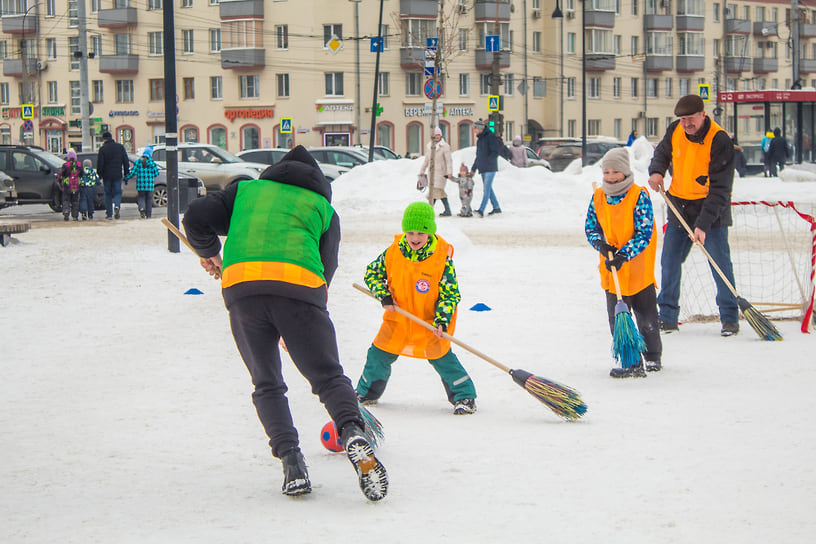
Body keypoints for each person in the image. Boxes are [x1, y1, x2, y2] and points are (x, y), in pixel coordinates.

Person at [182, 145, 388, 501]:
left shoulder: (246, 190)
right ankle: (353, 433)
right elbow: (325, 271)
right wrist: (301, 318)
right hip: (301, 290)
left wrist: (210, 253)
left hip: (243, 288)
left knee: (267, 383)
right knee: (327, 376)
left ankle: (291, 462)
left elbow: (195, 217)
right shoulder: (324, 209)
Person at [355, 201, 477, 415]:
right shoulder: (394, 251)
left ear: (429, 232)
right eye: (410, 232)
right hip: (398, 320)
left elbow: (450, 294)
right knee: (378, 354)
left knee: (441, 357)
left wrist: (442, 320)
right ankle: (367, 392)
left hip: (429, 321)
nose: (414, 238)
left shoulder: (441, 258)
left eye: (421, 232)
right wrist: (382, 294)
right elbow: (371, 273)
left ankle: (464, 395)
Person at [648, 94, 740, 337]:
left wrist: (703, 225)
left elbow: (721, 190)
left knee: (719, 263)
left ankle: (730, 317)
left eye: (691, 119)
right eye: (682, 119)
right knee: (669, 262)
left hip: (712, 210)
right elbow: (661, 154)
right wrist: (657, 172)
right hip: (679, 205)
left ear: (702, 115)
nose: (686, 124)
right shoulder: (675, 130)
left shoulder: (719, 139)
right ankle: (667, 317)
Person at [586, 148, 662, 378]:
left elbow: (644, 233)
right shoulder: (599, 196)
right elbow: (591, 227)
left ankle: (652, 356)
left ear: (625, 171)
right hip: (612, 270)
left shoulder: (639, 195)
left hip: (637, 267)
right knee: (617, 317)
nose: (611, 176)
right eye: (607, 171)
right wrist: (601, 244)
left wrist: (624, 254)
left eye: (616, 171)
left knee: (646, 315)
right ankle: (631, 362)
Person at [470, 119, 503, 217]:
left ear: (480, 128)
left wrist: (489, 161)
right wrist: (473, 168)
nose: (474, 130)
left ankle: (481, 210)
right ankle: (496, 207)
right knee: (489, 189)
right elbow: (478, 155)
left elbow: (495, 151)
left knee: (486, 189)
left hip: (490, 167)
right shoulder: (480, 139)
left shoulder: (490, 137)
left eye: (475, 128)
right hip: (483, 167)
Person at [419, 127, 453, 217]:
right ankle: (447, 210)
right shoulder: (429, 146)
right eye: (435, 135)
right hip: (432, 172)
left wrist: (449, 172)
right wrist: (422, 170)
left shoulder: (445, 146)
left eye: (438, 135)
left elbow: (449, 160)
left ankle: (429, 211)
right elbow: (426, 159)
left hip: (441, 172)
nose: (437, 137)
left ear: (441, 135)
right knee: (438, 192)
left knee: (435, 191)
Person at [97, 131, 130, 220]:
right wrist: (126, 173)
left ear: (104, 139)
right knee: (117, 192)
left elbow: (100, 164)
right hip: (117, 174)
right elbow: (125, 161)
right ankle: (117, 205)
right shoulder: (120, 147)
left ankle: (109, 214)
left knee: (107, 194)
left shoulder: (103, 149)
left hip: (106, 176)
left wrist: (99, 175)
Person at [125, 146, 160, 219]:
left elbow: (133, 172)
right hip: (149, 185)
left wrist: (126, 178)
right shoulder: (152, 163)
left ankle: (141, 208)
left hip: (140, 185)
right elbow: (156, 173)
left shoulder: (138, 162)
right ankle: (148, 215)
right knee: (149, 200)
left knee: (141, 197)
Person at [58, 149, 83, 221]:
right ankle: (75, 216)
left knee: (66, 200)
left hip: (67, 186)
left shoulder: (65, 165)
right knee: (75, 201)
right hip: (76, 186)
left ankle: (66, 211)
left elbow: (60, 175)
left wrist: (59, 182)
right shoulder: (79, 165)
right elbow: (82, 174)